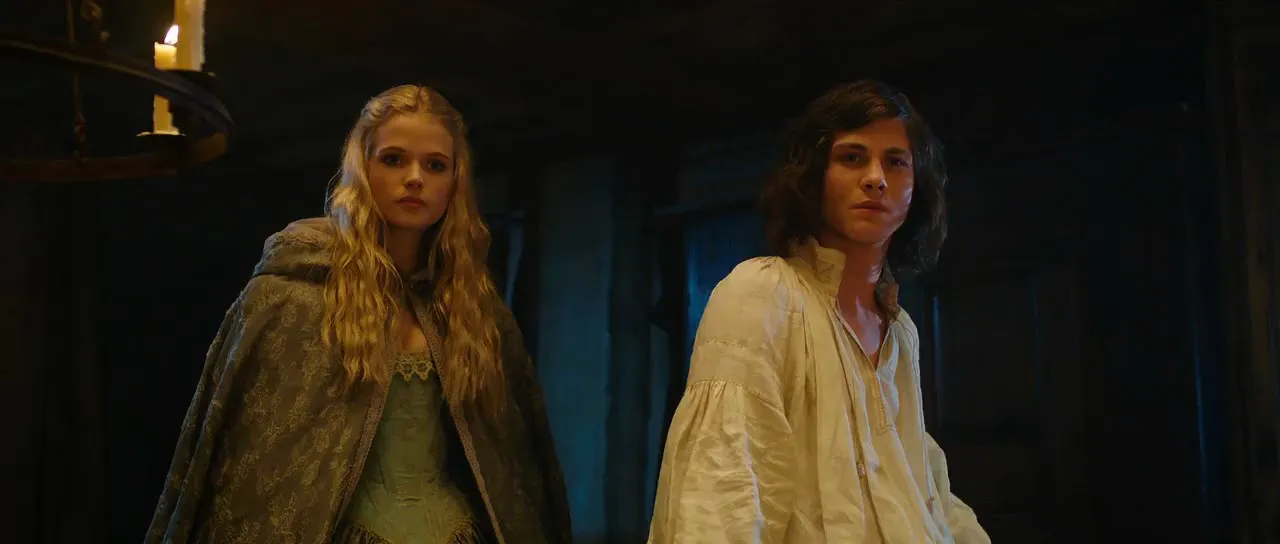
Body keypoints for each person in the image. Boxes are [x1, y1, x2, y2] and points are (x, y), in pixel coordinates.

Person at [146, 85, 572, 544]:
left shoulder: (474, 307)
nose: (415, 178)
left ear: (455, 182)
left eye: (435, 165)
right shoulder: (292, 294)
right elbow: (255, 470)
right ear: (363, 169)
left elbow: (515, 467)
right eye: (394, 159)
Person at [648, 80, 989, 543]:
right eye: (852, 158)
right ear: (814, 176)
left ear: (916, 187)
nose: (876, 178)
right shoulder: (763, 294)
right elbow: (721, 496)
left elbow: (926, 492)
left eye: (896, 162)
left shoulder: (900, 330)